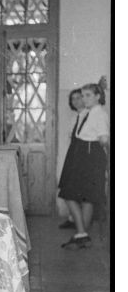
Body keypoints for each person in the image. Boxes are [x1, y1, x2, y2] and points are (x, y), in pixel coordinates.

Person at [58, 82, 109, 250]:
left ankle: (81, 233)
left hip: (89, 156)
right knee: (87, 198)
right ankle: (82, 235)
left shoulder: (99, 114)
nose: (84, 99)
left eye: (88, 96)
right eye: (83, 95)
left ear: (98, 96)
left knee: (69, 193)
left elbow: (104, 139)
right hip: (83, 154)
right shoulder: (89, 112)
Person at [58, 88, 85, 229]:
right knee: (69, 186)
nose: (76, 101)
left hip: (82, 156)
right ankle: (71, 218)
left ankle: (79, 223)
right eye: (73, 98)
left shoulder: (88, 115)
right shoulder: (74, 117)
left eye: (78, 97)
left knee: (76, 189)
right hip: (73, 154)